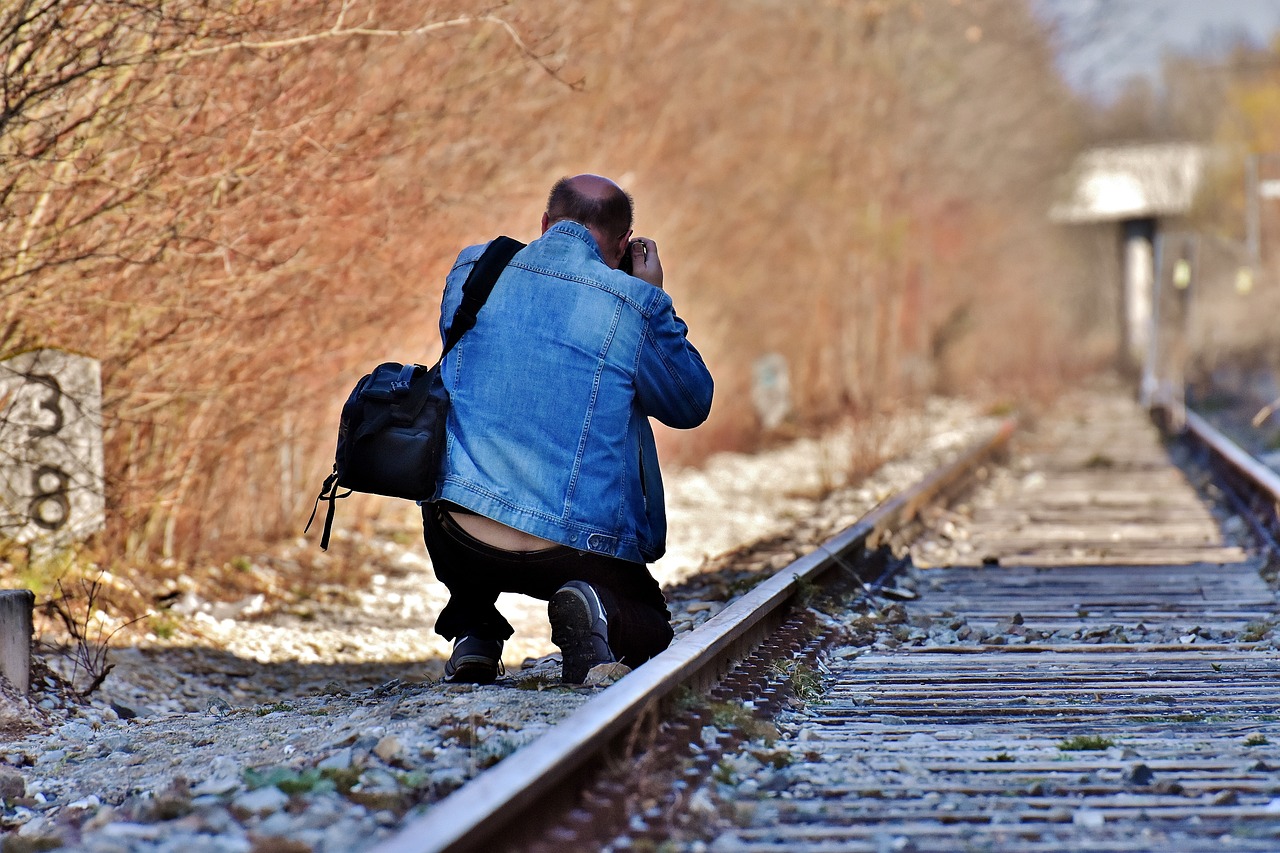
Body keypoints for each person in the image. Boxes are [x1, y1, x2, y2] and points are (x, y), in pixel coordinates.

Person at [422, 174, 714, 685]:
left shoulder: (475, 268)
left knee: (468, 449)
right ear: (624, 245)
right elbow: (689, 404)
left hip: (460, 534)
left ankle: (475, 630)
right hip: (574, 550)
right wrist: (651, 298)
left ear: (545, 223)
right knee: (650, 631)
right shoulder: (632, 302)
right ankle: (593, 606)